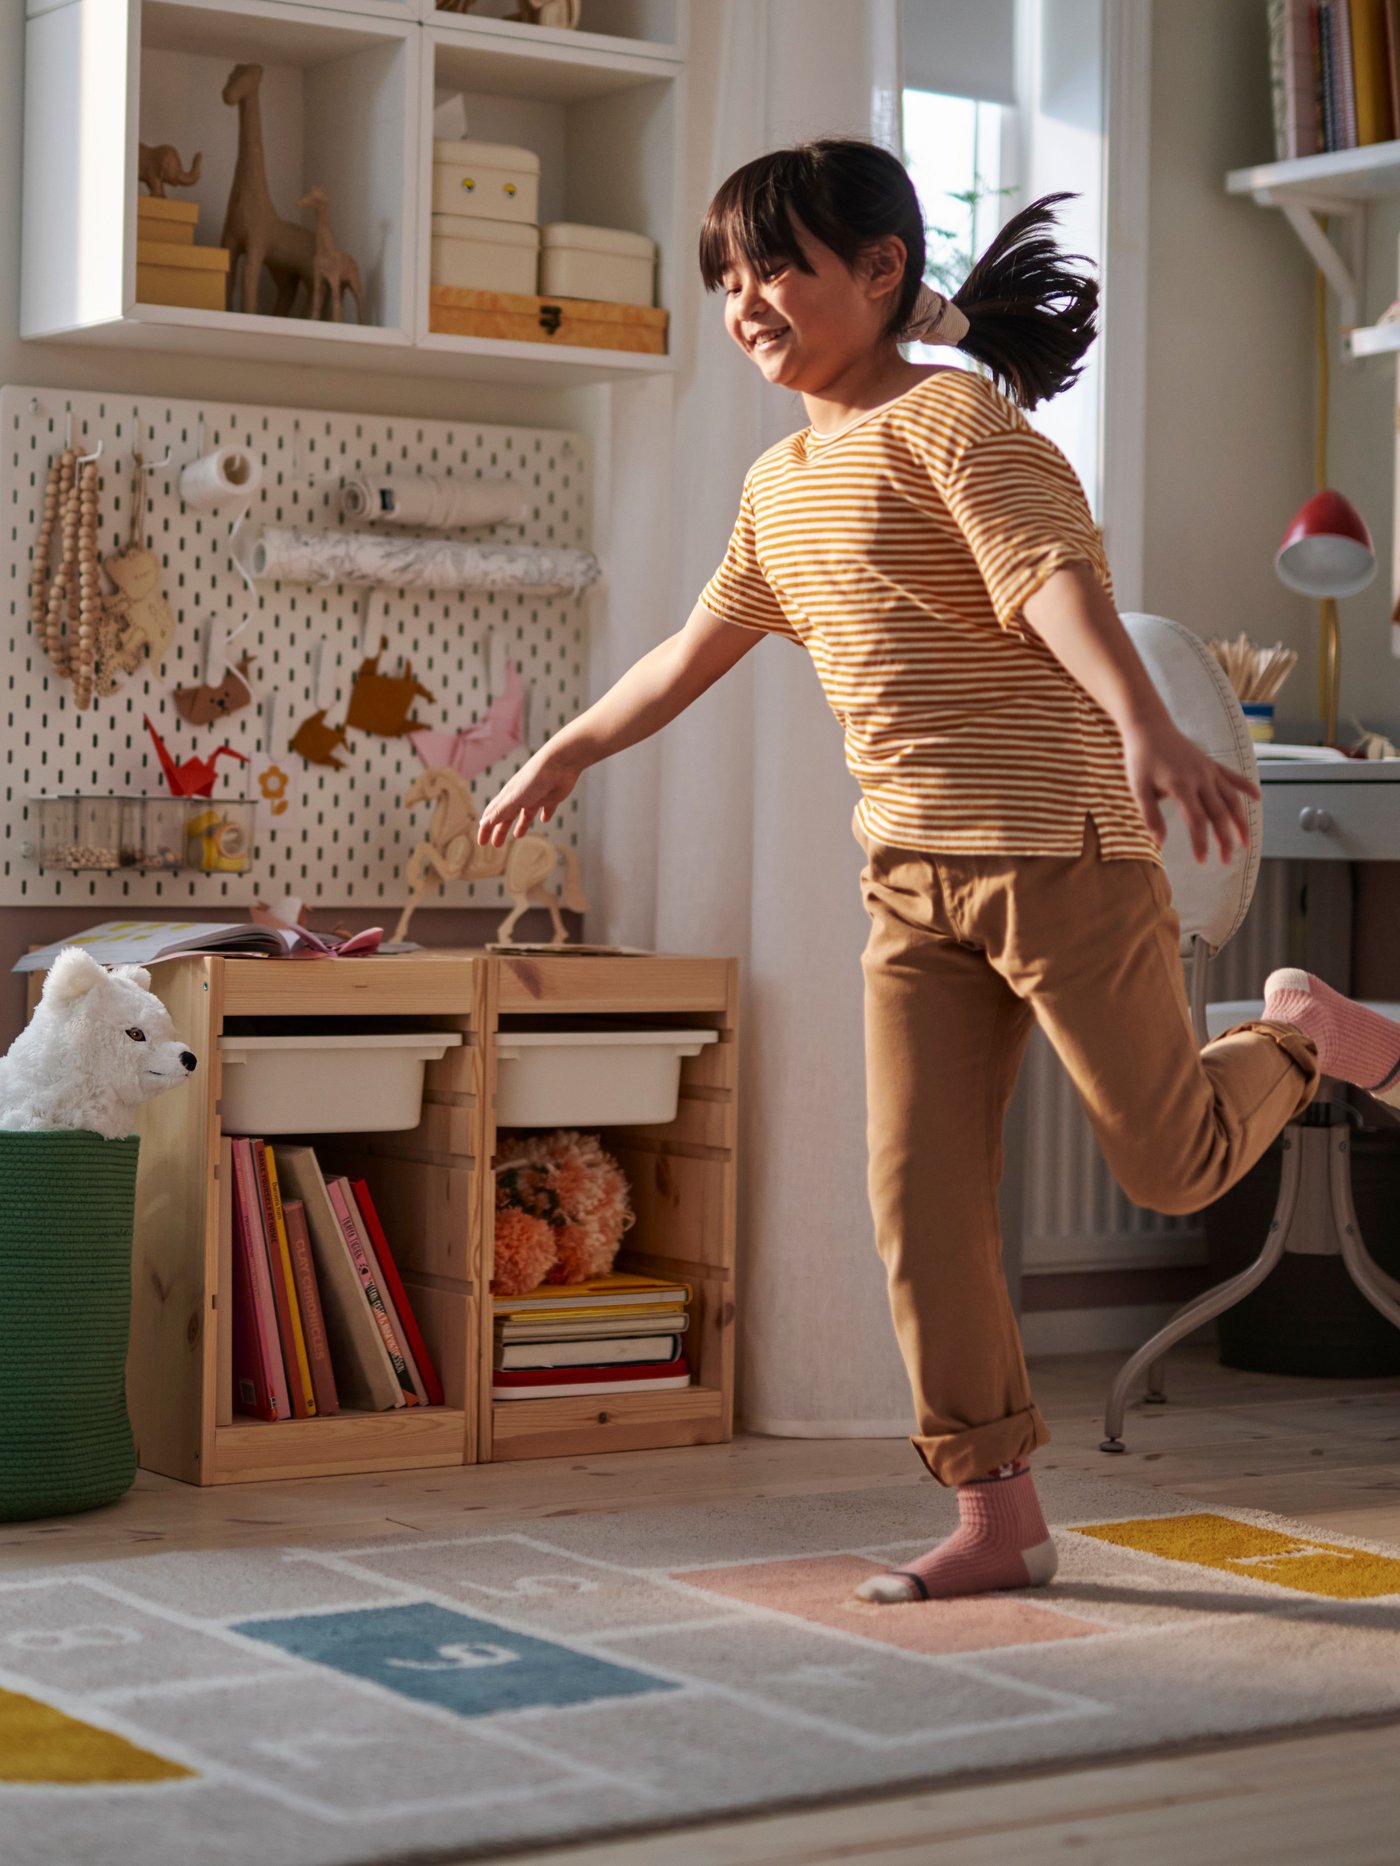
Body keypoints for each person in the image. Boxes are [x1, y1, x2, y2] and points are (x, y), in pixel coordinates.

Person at [478, 138, 1400, 1603]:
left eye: (778, 265)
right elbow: (689, 651)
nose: (749, 300)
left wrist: (1146, 725)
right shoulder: (779, 486)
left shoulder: (959, 429)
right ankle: (997, 1506)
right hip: (911, 883)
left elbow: (1057, 589)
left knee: (1165, 1159)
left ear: (881, 270)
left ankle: (1314, 1037)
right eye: (729, 276)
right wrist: (573, 749)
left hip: (1062, 858)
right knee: (919, 1197)